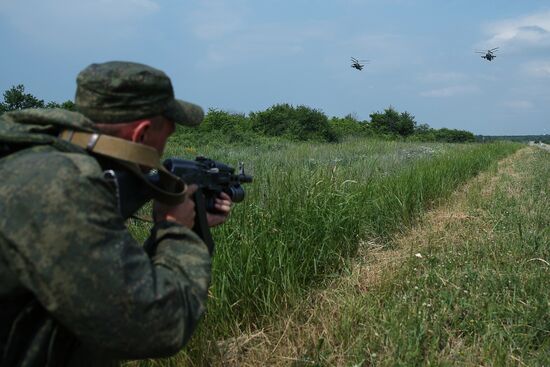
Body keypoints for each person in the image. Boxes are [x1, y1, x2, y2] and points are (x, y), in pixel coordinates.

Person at [0, 61, 231, 366]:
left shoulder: (39, 162)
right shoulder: (59, 187)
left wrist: (178, 227)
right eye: (168, 134)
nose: (164, 149)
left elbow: (107, 290)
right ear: (142, 134)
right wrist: (176, 230)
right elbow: (157, 326)